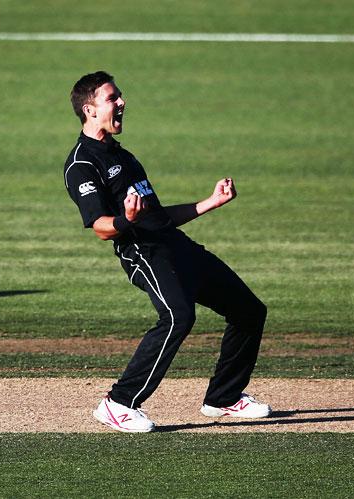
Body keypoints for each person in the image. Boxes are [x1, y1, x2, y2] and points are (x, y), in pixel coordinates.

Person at [64, 71, 270, 432]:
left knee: (248, 310)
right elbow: (99, 226)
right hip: (142, 251)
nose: (122, 102)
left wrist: (210, 202)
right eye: (113, 98)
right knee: (178, 316)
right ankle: (119, 402)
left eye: (120, 96)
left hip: (176, 246)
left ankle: (223, 397)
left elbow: (158, 216)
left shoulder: (124, 156)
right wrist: (126, 219)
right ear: (89, 109)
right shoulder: (83, 163)